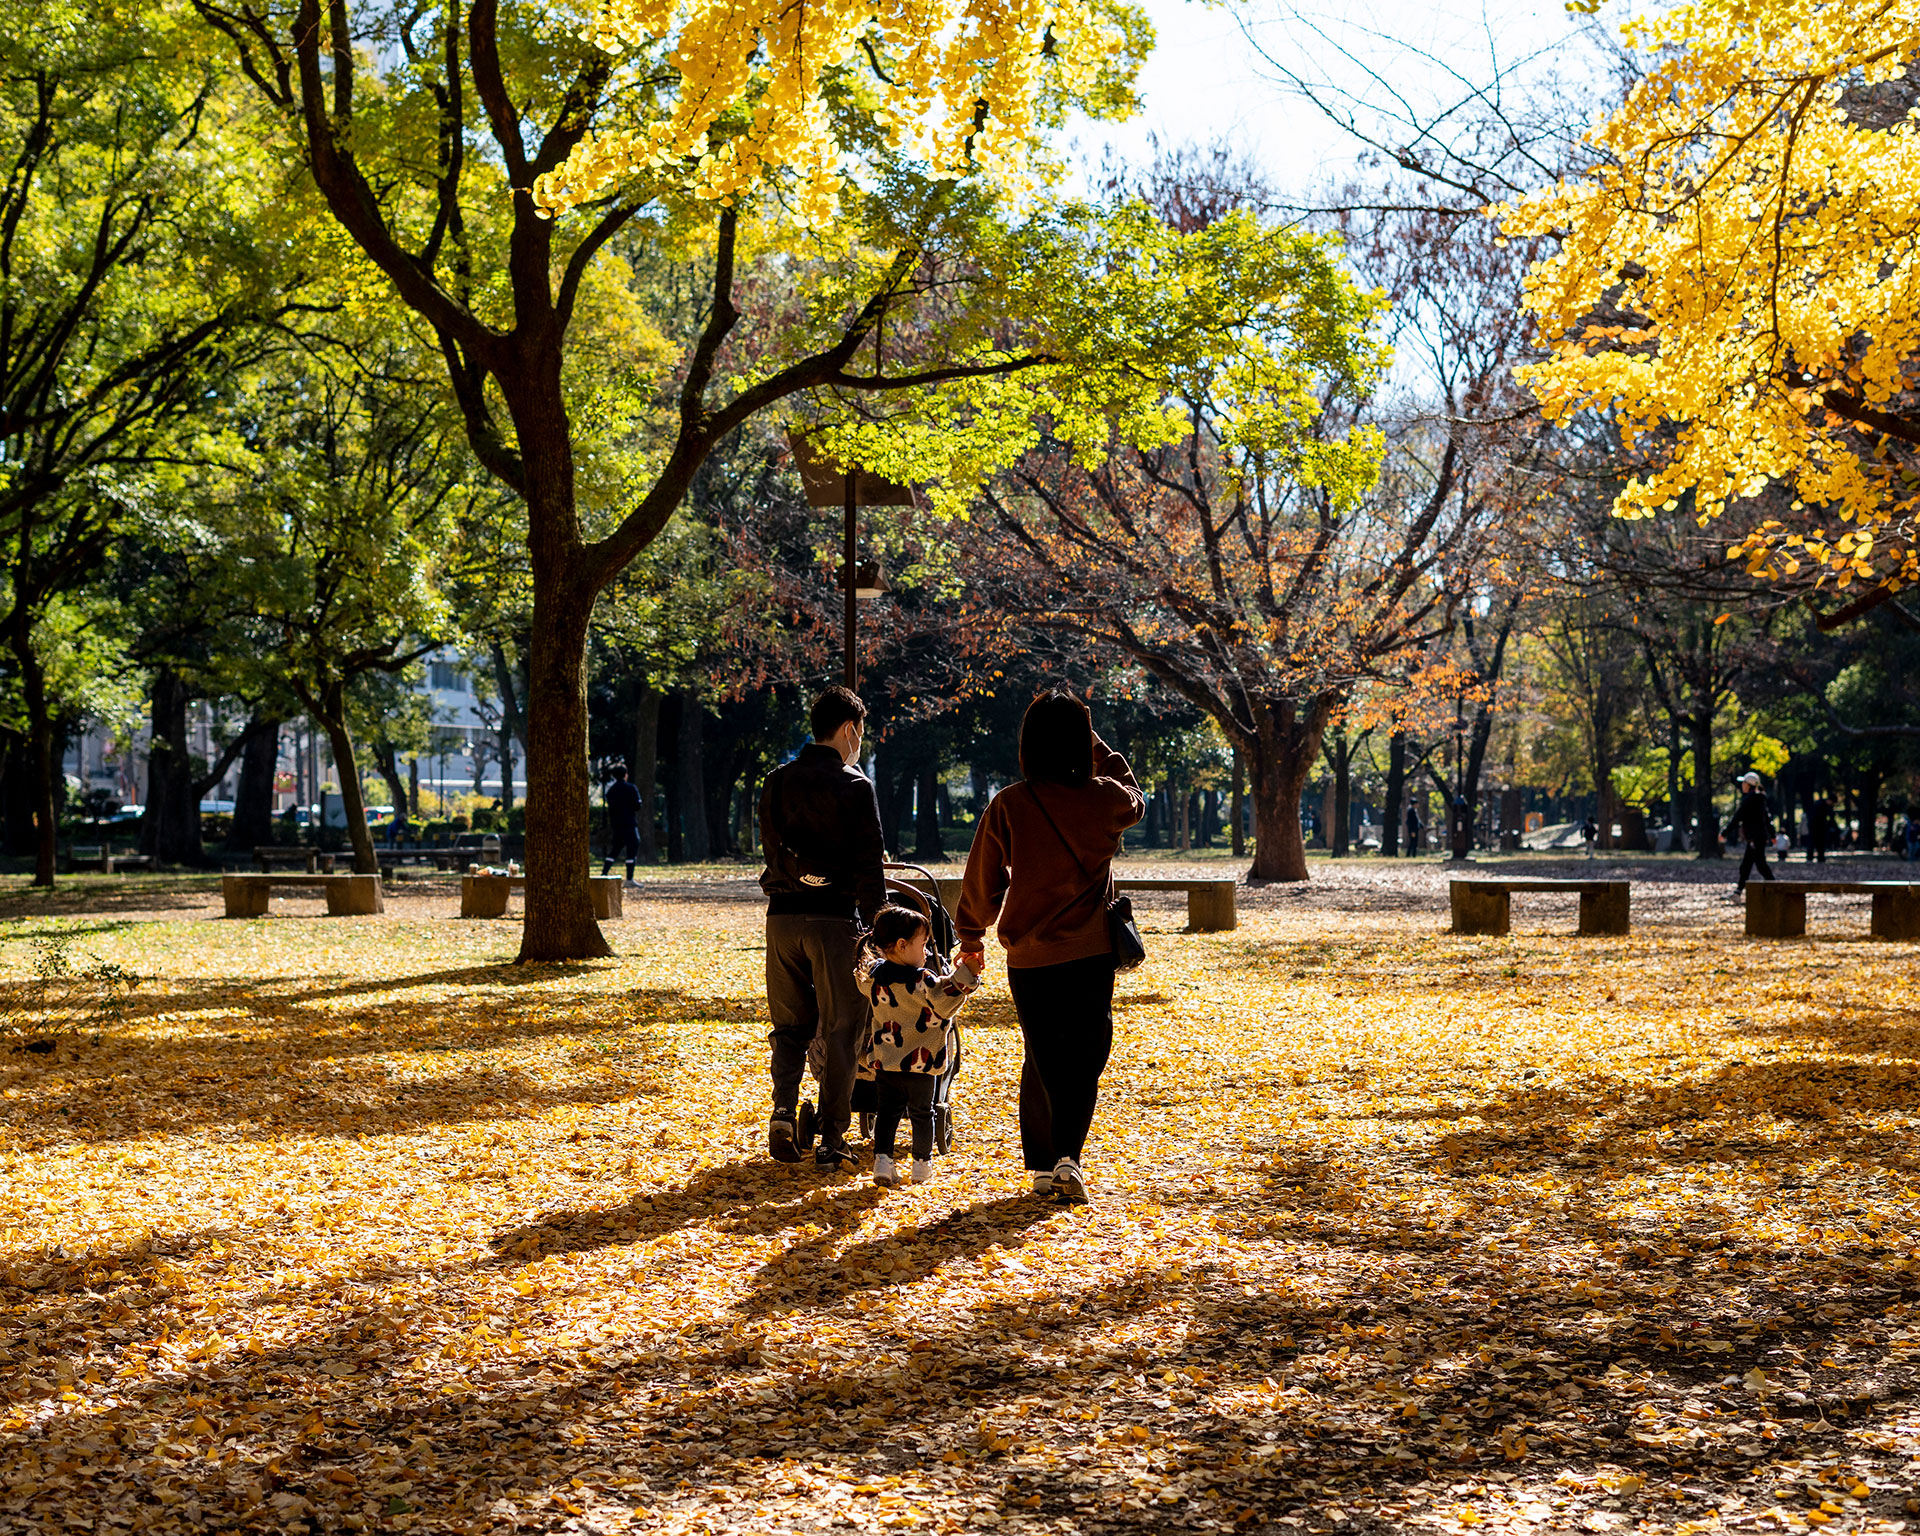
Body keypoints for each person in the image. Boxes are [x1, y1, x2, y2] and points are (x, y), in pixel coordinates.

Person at [956, 689, 1144, 1205]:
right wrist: (1099, 745)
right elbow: (1135, 797)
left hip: (1030, 956)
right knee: (1085, 1055)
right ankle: (1068, 1157)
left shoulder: (1011, 804)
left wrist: (971, 937)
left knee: (1042, 1053)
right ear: (1081, 744)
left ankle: (1044, 1164)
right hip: (1090, 952)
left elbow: (982, 878)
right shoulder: (1103, 799)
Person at [759, 686, 886, 1171]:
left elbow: (772, 852)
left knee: (789, 1027)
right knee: (841, 1029)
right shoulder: (855, 786)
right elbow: (869, 866)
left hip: (782, 920)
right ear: (850, 730)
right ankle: (832, 1138)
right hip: (835, 922)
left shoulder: (776, 781)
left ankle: (784, 1113)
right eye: (861, 732)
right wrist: (879, 930)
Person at [856, 903, 978, 1190]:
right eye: (922, 945)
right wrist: (968, 974)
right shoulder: (922, 980)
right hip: (922, 1063)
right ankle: (921, 1164)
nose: (925, 952)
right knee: (923, 1113)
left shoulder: (874, 978)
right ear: (901, 945)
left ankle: (882, 1162)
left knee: (887, 1112)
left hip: (887, 1059)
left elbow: (862, 982)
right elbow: (947, 998)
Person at [1724, 771, 1777, 896]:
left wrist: (1725, 832)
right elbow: (1767, 818)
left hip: (1755, 837)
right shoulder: (1758, 799)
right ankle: (1738, 891)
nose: (1742, 785)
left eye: (1743, 783)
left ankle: (1775, 888)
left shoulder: (1751, 800)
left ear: (1748, 784)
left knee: (1759, 865)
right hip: (1756, 837)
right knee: (1747, 866)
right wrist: (1772, 834)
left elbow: (1737, 817)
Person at [600, 764, 642, 883]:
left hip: (617, 824)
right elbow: (637, 805)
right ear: (625, 775)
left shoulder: (611, 791)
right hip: (629, 823)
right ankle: (629, 877)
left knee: (616, 848)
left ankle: (604, 873)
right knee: (633, 846)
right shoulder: (631, 788)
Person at [1807, 795, 1835, 863]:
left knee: (1821, 843)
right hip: (1815, 827)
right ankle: (1810, 858)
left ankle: (1820, 857)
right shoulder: (1819, 805)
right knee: (1813, 842)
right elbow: (1814, 816)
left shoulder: (1825, 806)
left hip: (1821, 827)